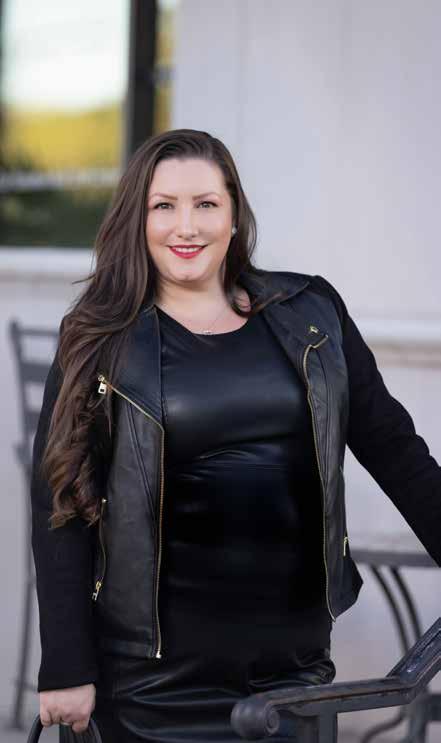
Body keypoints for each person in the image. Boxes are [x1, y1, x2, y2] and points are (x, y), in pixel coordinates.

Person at [31, 128, 441, 741]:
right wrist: (67, 664)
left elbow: (396, 450)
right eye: (164, 206)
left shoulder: (311, 312)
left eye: (206, 204)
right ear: (137, 219)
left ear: (233, 215)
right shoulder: (99, 337)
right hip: (149, 684)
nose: (186, 227)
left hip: (293, 674)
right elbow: (60, 501)